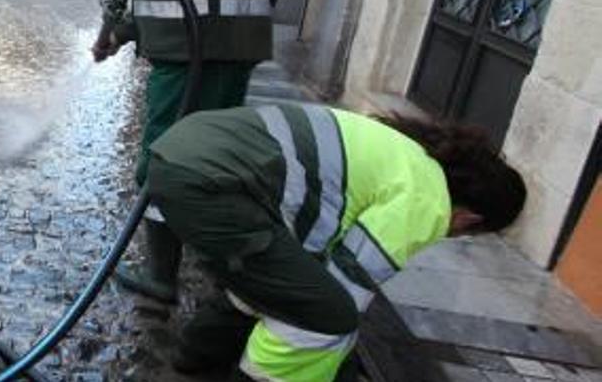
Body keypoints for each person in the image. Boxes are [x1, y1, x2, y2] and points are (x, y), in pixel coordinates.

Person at [142, 104, 525, 382]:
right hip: (212, 185)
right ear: (471, 219)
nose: (453, 234)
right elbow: (348, 284)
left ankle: (198, 356)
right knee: (324, 316)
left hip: (185, 151)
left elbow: (316, 258)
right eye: (466, 234)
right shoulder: (429, 200)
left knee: (283, 281)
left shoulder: (407, 152)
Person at [93, 0, 274, 302]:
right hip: (196, 49)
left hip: (207, 52)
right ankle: (197, 276)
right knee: (188, 163)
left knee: (169, 164)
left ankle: (179, 279)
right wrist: (125, 30)